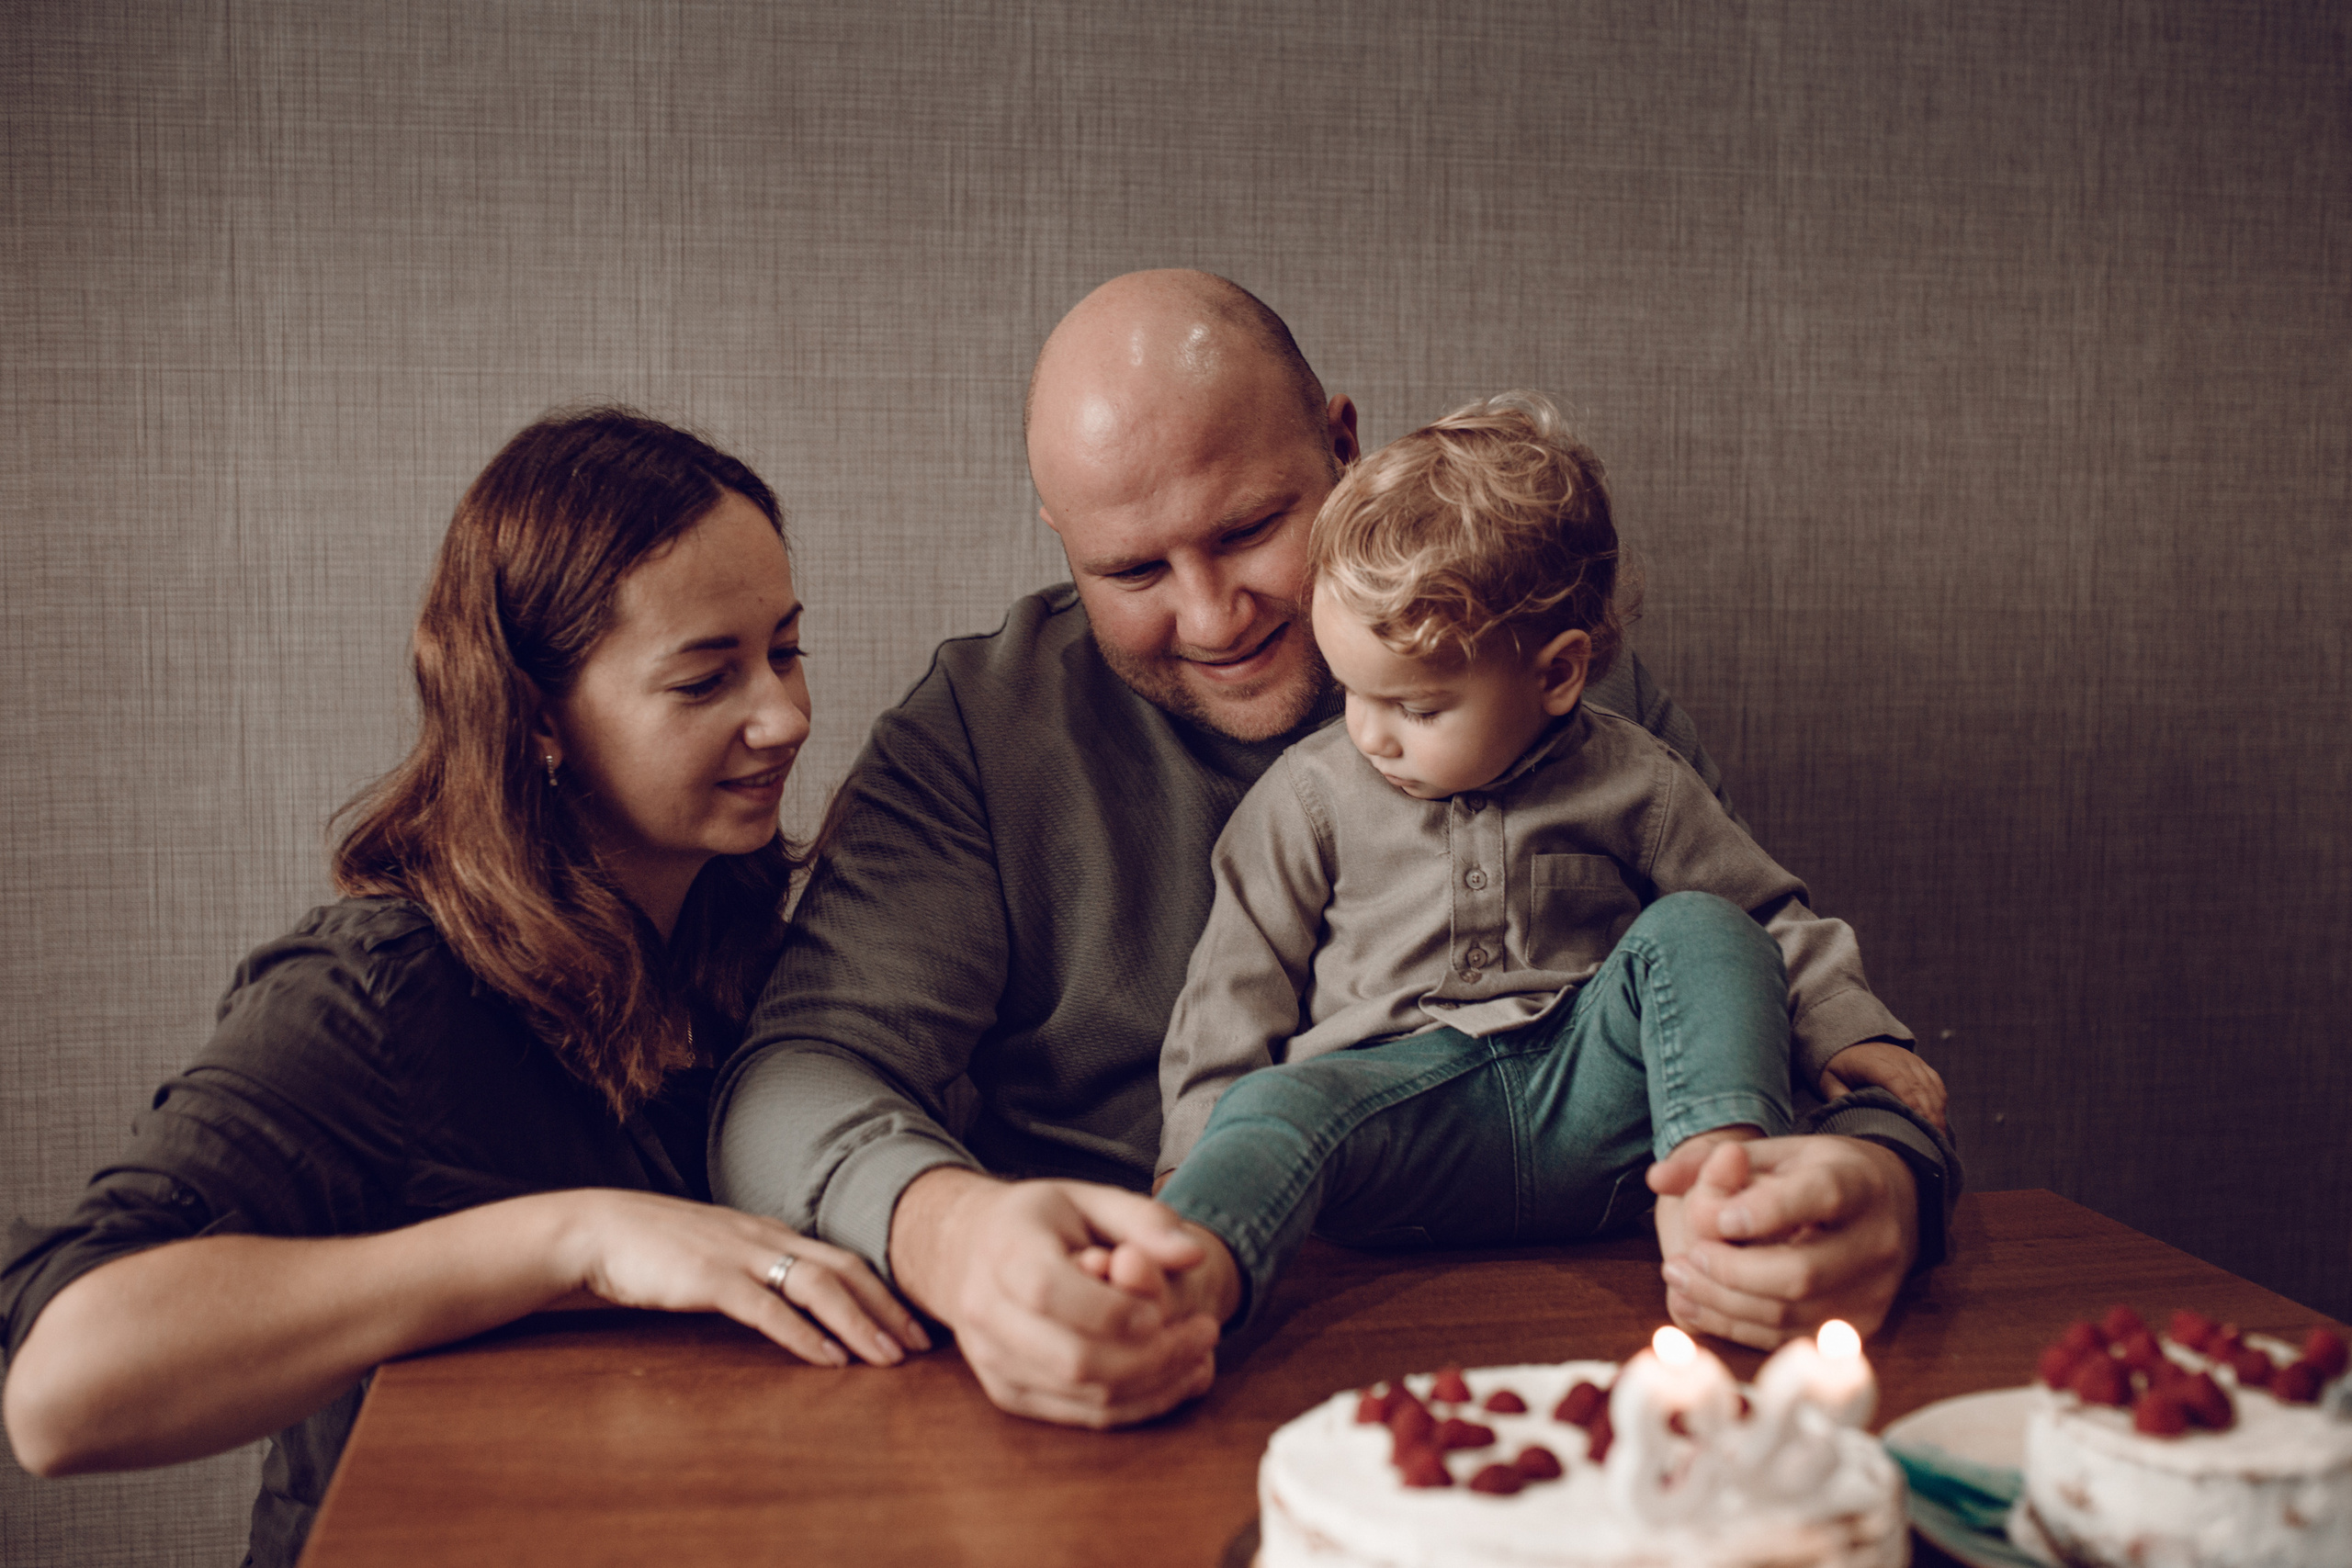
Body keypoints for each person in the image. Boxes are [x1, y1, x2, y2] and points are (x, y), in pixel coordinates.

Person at [710, 270, 1959, 1429]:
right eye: (1131, 566)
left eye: (1252, 526)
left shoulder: (1541, 658)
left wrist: (1887, 1176)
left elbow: (1752, 974)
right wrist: (953, 1233)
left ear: (1344, 446)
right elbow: (785, 1087)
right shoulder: (981, 731)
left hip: (1626, 1338)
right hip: (1197, 1363)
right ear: (1059, 535)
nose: (1211, 614)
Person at [0, 410, 927, 1567]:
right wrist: (569, 1240)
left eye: (785, 650)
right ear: (537, 717)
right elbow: (63, 1386)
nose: (785, 716)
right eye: (705, 680)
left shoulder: (746, 941)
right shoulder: (382, 994)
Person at [1131, 393, 1948, 1325]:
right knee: (1270, 1105)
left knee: (1705, 926)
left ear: (1555, 674)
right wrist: (1192, 1158)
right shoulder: (1308, 795)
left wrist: (1848, 1025)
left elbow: (1765, 918)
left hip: (1597, 1113)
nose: (1369, 734)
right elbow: (1233, 989)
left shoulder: (1637, 778)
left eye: (1419, 706)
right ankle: (1183, 1284)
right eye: (1352, 689)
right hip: (1397, 1118)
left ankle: (1722, 1209)